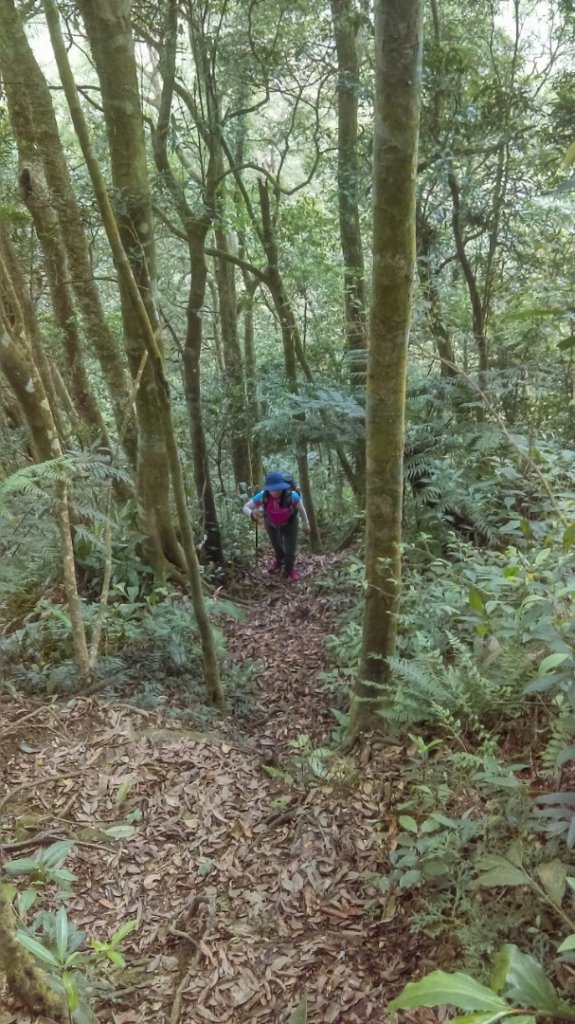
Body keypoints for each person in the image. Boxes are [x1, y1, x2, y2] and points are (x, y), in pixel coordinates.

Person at [243, 470, 310, 580]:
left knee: (290, 549)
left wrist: (306, 525)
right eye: (272, 489)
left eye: (278, 488)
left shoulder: (292, 495)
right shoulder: (262, 496)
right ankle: (279, 562)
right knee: (277, 546)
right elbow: (245, 507)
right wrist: (251, 514)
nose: (275, 492)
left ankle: (289, 569)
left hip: (289, 524)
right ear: (268, 488)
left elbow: (302, 510)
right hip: (271, 524)